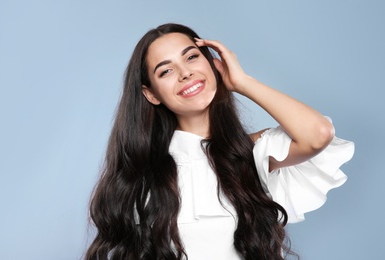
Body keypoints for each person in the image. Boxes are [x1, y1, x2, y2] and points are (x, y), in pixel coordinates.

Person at [85, 23, 354, 260]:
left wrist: (243, 82)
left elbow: (318, 134)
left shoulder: (251, 151)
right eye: (166, 71)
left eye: (191, 57)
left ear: (213, 63)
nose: (185, 73)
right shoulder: (141, 176)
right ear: (151, 94)